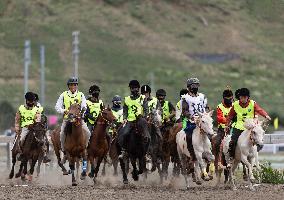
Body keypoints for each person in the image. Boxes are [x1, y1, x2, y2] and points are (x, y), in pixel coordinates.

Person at [226, 88, 271, 166]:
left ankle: (253, 158)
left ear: (248, 97)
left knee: (259, 140)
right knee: (232, 141)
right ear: (239, 97)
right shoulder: (235, 104)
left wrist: (266, 115)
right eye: (241, 97)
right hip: (239, 126)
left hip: (251, 127)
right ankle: (231, 157)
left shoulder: (253, 103)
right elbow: (230, 115)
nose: (243, 99)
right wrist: (227, 124)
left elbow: (259, 110)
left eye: (244, 97)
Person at [55, 77, 91, 155]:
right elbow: (57, 107)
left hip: (78, 120)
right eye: (71, 85)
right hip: (67, 119)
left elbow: (84, 106)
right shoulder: (63, 95)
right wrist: (64, 110)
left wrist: (82, 113)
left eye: (74, 85)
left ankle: (85, 147)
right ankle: (63, 148)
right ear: (68, 86)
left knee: (88, 132)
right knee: (62, 134)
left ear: (76, 86)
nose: (73, 87)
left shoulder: (81, 95)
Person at [15, 92, 50, 162]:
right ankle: (21, 153)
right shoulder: (21, 108)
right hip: (25, 127)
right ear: (26, 100)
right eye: (29, 101)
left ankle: (45, 155)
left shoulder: (38, 109)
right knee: (22, 139)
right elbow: (17, 119)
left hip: (35, 127)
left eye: (32, 101)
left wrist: (35, 124)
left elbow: (38, 118)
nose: (31, 103)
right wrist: (17, 128)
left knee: (42, 140)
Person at [118, 80, 148, 159]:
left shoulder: (143, 98)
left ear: (138, 88)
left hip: (140, 120)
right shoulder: (127, 99)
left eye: (135, 88)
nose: (134, 90)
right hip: (130, 120)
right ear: (130, 89)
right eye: (132, 88)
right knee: (124, 133)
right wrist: (124, 118)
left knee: (148, 135)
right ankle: (124, 150)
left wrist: (144, 116)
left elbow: (146, 109)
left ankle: (146, 153)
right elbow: (125, 110)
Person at [181, 77, 210, 161]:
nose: (195, 87)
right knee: (189, 136)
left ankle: (210, 153)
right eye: (193, 86)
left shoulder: (202, 96)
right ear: (189, 87)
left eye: (196, 85)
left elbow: (206, 107)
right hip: (192, 122)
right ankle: (192, 155)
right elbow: (185, 110)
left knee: (210, 134)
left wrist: (206, 114)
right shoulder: (185, 98)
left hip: (203, 121)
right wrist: (191, 117)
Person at [215, 88, 234, 163]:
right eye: (227, 99)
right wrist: (229, 120)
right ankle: (215, 160)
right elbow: (219, 118)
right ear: (224, 98)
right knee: (217, 143)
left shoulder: (235, 106)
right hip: (222, 130)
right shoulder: (219, 106)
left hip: (233, 129)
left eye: (231, 98)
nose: (229, 101)